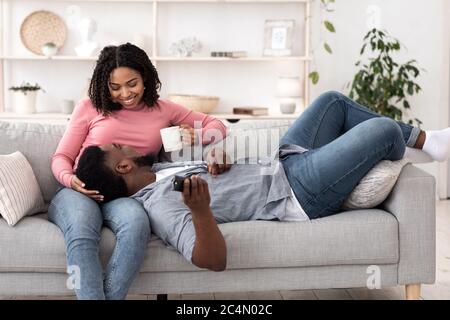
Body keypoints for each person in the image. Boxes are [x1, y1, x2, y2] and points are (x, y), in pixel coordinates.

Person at [75, 91, 450, 271]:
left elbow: (214, 160)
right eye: (118, 146)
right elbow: (212, 260)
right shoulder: (161, 205)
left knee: (331, 102)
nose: (126, 143)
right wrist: (202, 210)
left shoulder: (160, 170)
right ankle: (422, 145)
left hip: (281, 162)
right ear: (122, 167)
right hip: (297, 191)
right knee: (381, 129)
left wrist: (214, 159)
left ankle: (420, 145)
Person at [48, 43, 227, 300]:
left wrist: (196, 135)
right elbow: (61, 157)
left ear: (145, 77)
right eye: (115, 87)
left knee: (136, 224)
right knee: (81, 229)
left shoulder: (164, 109)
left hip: (124, 195)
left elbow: (217, 126)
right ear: (105, 85)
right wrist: (70, 180)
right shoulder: (89, 107)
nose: (125, 93)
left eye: (132, 83)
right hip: (77, 189)